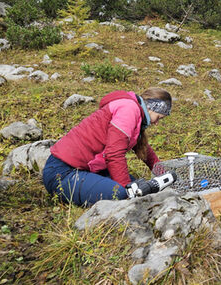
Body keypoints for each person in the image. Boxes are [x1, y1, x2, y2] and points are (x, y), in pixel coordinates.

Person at [42, 87, 172, 206]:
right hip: (61, 173)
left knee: (138, 185)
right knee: (123, 193)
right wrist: (129, 191)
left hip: (83, 169)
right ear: (151, 108)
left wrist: (164, 173)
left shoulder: (135, 113)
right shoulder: (129, 109)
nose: (156, 123)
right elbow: (114, 154)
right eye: (158, 117)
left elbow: (145, 151)